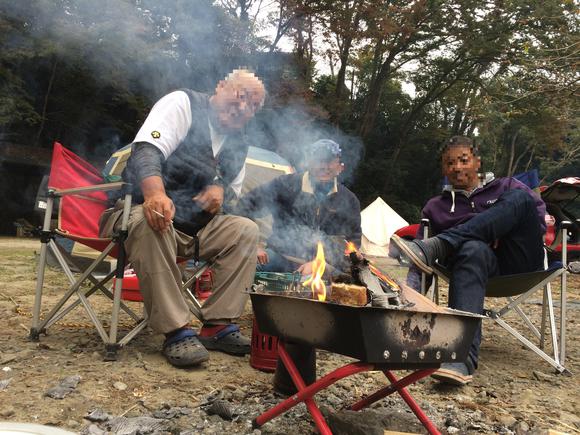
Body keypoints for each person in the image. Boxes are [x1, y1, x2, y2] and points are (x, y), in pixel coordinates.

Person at [99, 69, 266, 368]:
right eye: (241, 96)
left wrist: (220, 189)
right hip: (134, 215)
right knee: (153, 217)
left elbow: (230, 195)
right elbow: (146, 151)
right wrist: (155, 194)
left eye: (254, 106)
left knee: (245, 230)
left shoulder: (239, 144)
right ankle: (176, 330)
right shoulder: (183, 104)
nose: (244, 107)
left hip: (193, 230)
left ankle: (217, 325)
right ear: (220, 87)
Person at [390, 135, 546, 386]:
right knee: (473, 248)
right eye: (450, 163)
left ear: (477, 162)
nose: (457, 167)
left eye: (463, 160)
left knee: (520, 199)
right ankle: (460, 358)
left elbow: (535, 222)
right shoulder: (436, 207)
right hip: (471, 267)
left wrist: (497, 227)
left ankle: (444, 242)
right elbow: (420, 261)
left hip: (518, 261)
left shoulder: (507, 186)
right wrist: (406, 306)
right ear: (443, 168)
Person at [236, 139, 362, 275]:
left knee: (351, 281)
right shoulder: (286, 185)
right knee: (249, 264)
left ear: (340, 167)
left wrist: (321, 264)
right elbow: (245, 206)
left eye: (330, 161)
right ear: (309, 163)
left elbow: (352, 242)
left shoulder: (349, 200)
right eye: (319, 160)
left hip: (324, 267)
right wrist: (253, 245)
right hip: (281, 259)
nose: (324, 166)